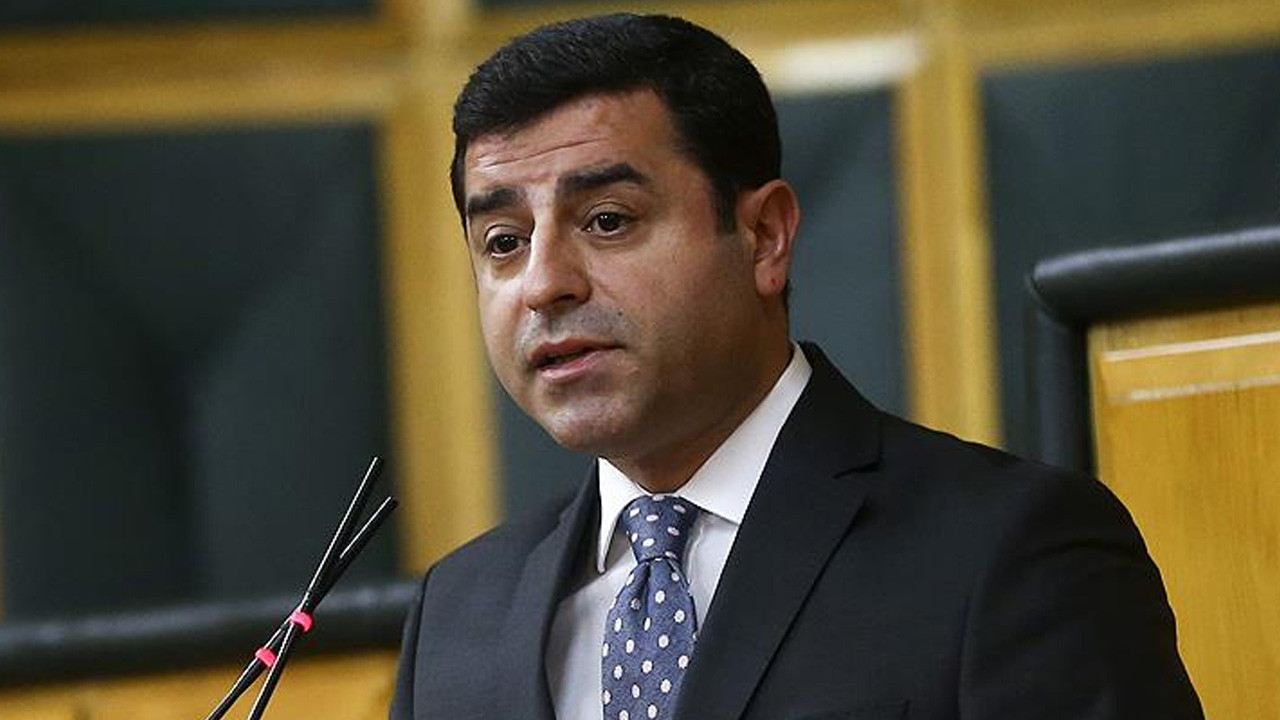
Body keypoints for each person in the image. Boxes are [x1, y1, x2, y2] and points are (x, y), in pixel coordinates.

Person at [391, 13, 1202, 720]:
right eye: (504, 242)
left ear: (765, 237)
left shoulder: (1007, 552)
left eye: (607, 220)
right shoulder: (459, 615)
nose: (543, 284)